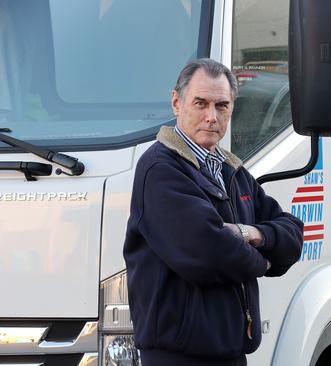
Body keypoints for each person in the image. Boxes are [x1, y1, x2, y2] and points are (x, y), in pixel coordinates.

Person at [123, 58, 304, 366]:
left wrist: (250, 233)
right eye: (200, 103)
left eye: (221, 105)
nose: (211, 116)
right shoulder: (160, 169)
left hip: (230, 353)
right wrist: (264, 260)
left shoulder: (230, 170)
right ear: (177, 103)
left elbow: (293, 234)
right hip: (178, 357)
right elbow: (208, 252)